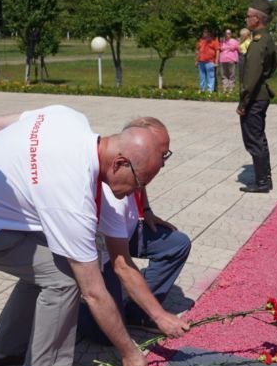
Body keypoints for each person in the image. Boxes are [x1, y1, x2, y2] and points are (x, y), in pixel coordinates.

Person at [0, 105, 179, 366]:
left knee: (45, 267)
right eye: (139, 183)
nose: (137, 193)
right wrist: (129, 352)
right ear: (119, 163)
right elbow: (93, 291)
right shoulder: (73, 197)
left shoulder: (69, 117)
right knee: (64, 277)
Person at [77, 117, 192, 341]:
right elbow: (122, 264)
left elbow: (141, 181)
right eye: (162, 155)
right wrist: (160, 316)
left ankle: (137, 313)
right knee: (106, 332)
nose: (164, 161)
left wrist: (146, 210)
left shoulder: (138, 167)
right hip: (107, 249)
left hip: (127, 231)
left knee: (176, 244)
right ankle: (72, 308)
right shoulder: (116, 189)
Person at [237, 0, 277, 193]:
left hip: (254, 97)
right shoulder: (265, 38)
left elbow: (251, 76)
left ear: (257, 19)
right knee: (258, 137)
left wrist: (243, 102)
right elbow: (272, 67)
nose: (246, 19)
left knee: (254, 139)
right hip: (260, 94)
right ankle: (264, 178)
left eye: (248, 16)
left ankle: (262, 182)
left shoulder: (258, 42)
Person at [218, 29, 240, 94]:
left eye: (229, 33)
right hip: (222, 60)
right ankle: (225, 89)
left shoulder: (234, 41)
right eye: (226, 33)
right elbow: (219, 49)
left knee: (231, 75)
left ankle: (231, 89)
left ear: (231, 34)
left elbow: (238, 49)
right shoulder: (222, 42)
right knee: (224, 75)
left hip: (231, 60)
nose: (227, 35)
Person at [196, 29, 218, 93]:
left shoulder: (214, 41)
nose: (204, 34)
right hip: (201, 61)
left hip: (210, 61)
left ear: (209, 33)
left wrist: (216, 61)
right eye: (204, 32)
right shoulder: (201, 41)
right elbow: (198, 51)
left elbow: (217, 51)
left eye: (206, 32)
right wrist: (197, 60)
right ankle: (202, 90)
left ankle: (210, 91)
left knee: (210, 76)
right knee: (202, 76)